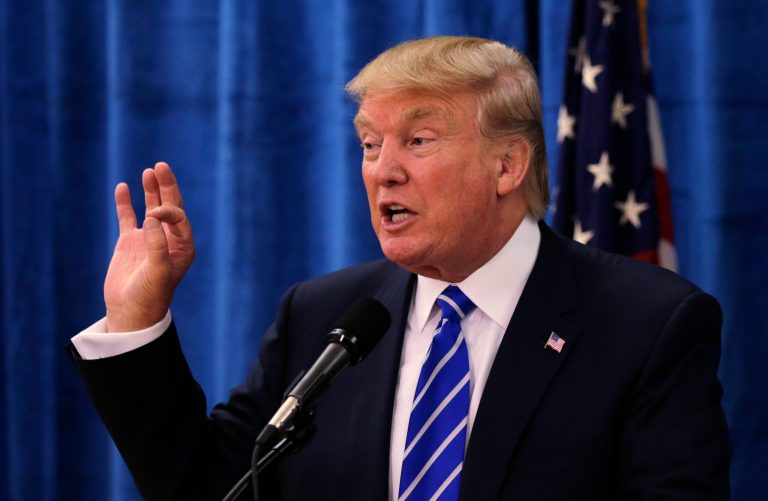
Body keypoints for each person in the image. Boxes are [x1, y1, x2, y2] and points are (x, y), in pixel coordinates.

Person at [71, 36, 730, 500]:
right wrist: (138, 320)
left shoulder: (649, 325)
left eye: (417, 140)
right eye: (368, 143)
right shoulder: (324, 316)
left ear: (507, 165)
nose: (382, 169)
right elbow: (215, 488)